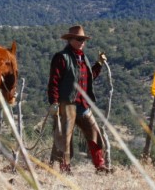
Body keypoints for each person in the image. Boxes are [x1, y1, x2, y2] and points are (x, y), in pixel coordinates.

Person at [47, 25, 110, 174]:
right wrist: (54, 102)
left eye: (83, 40)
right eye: (79, 39)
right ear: (70, 40)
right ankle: (65, 168)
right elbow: (54, 82)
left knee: (94, 132)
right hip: (67, 104)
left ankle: (100, 166)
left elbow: (89, 77)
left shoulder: (83, 58)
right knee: (65, 138)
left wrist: (99, 64)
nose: (82, 42)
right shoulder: (62, 57)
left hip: (82, 104)